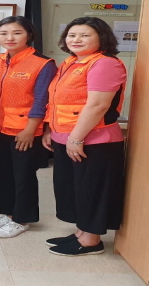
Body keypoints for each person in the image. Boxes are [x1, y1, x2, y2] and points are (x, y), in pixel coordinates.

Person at [42, 16, 126, 257]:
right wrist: (50, 130)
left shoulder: (105, 63)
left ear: (102, 38)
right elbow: (58, 101)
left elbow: (98, 105)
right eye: (72, 35)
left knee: (91, 189)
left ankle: (91, 240)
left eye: (85, 35)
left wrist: (76, 138)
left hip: (94, 140)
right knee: (74, 188)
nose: (76, 39)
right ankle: (82, 231)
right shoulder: (71, 62)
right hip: (65, 136)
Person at [0, 17, 57, 238]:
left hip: (24, 130)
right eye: (4, 33)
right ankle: (8, 213)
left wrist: (30, 130)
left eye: (17, 33)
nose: (10, 38)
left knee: (23, 175)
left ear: (29, 35)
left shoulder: (42, 63)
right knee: (3, 173)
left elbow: (42, 99)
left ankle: (22, 219)